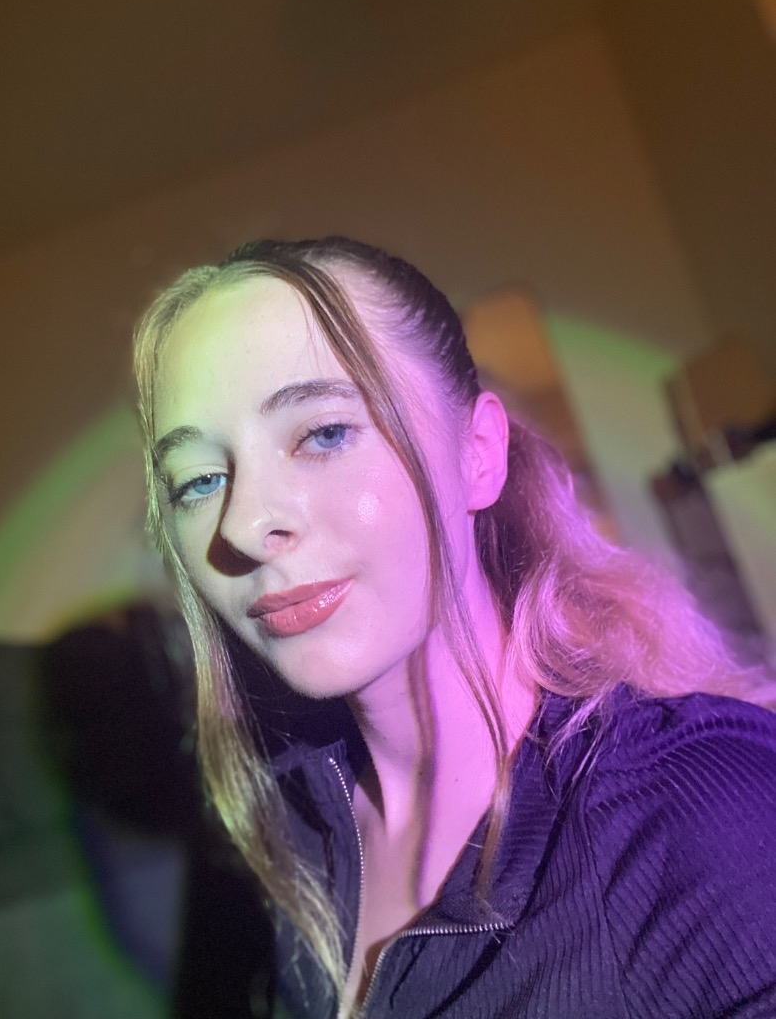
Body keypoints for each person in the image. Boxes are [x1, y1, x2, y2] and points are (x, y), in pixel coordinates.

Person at [134, 237, 776, 1018]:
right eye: (199, 480)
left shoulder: (701, 819)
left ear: (478, 453)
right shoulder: (283, 832)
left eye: (323, 433)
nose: (243, 524)